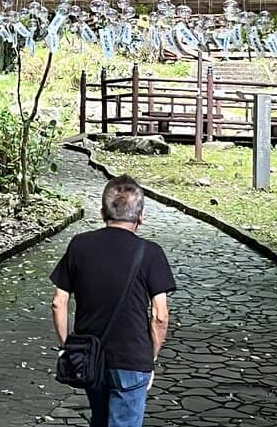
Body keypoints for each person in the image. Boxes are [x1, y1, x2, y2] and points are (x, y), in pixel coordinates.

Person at [50, 174, 175, 427]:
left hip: (89, 356)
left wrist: (67, 347)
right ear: (141, 216)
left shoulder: (79, 245)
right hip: (132, 358)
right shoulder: (151, 254)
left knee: (100, 419)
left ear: (102, 212)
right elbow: (160, 316)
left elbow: (58, 302)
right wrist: (150, 358)